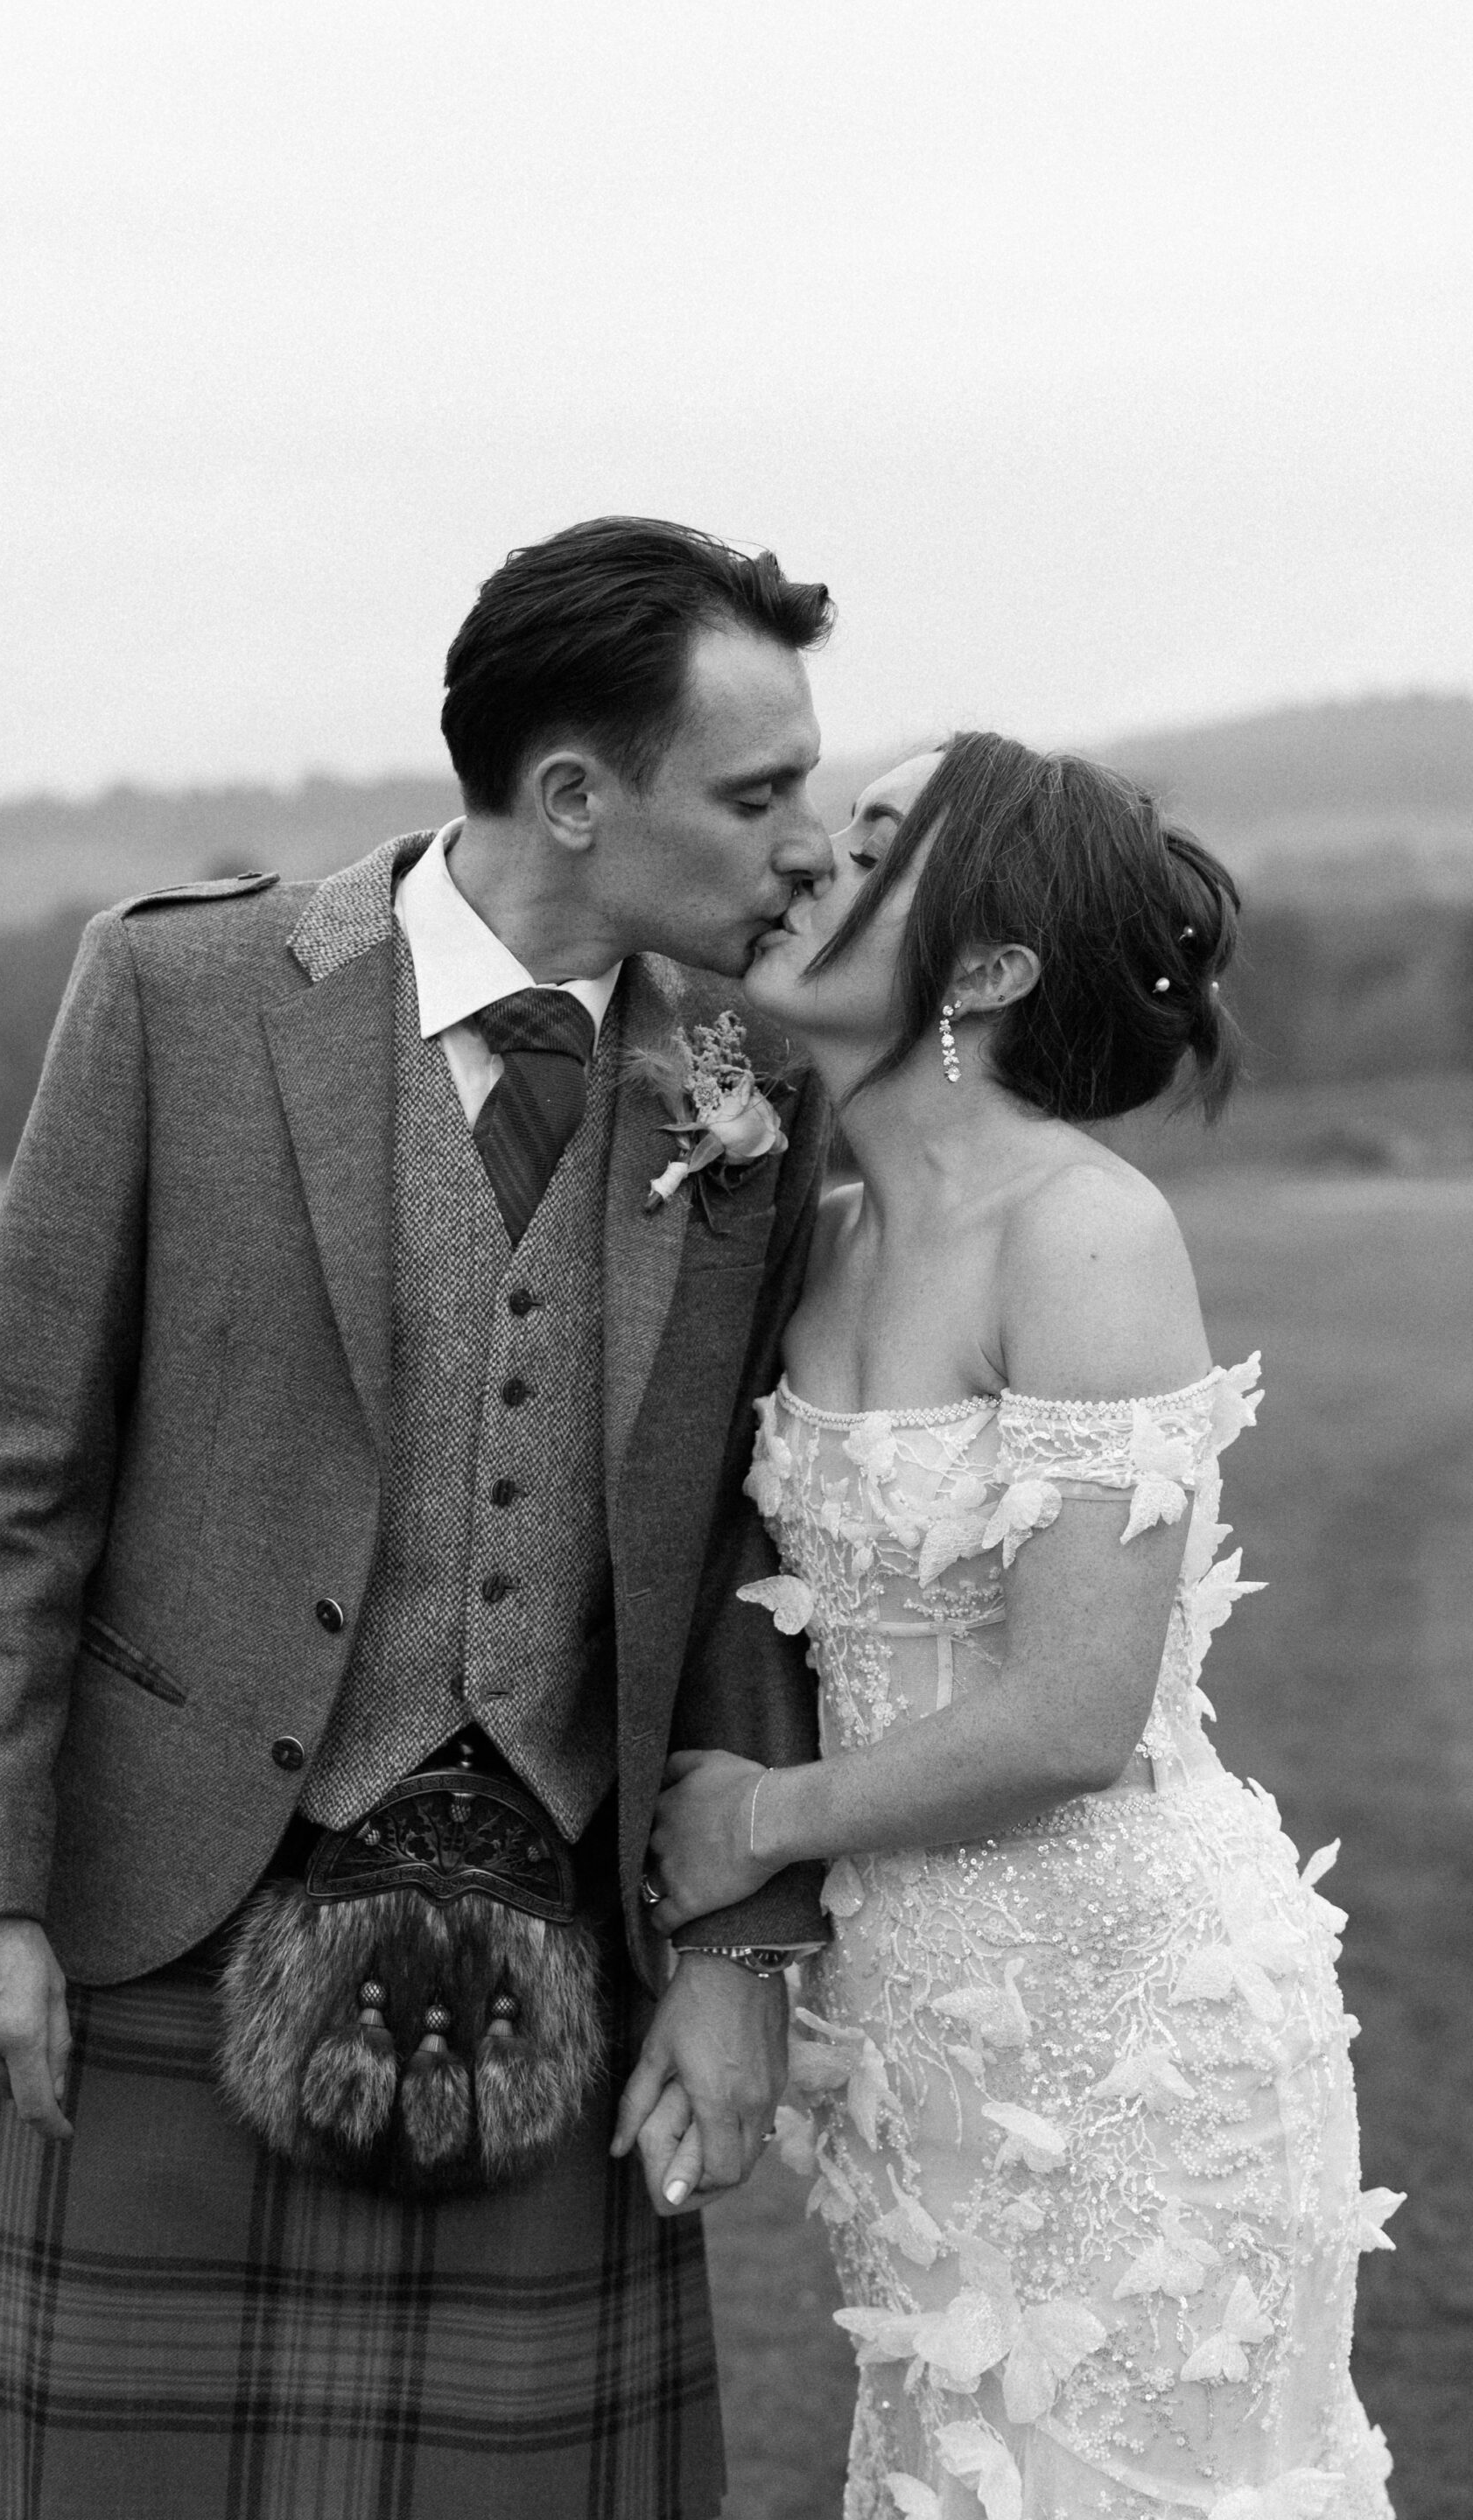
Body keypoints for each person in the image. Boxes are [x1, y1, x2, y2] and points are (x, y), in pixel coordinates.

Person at [0, 515, 841, 2520]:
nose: (807, 847)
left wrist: (742, 1952)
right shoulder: (182, 995)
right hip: (169, 1913)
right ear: (574, 797)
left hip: (556, 1943)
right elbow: (10, 1482)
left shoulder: (754, 1082)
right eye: (759, 796)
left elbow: (763, 1563)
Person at [644, 735, 1399, 2517]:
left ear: (982, 972)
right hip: (918, 2052)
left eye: (884, 841)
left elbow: (1075, 1710)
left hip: (1135, 2036)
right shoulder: (814, 1233)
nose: (816, 851)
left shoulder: (1083, 1231)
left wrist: (753, 1821)